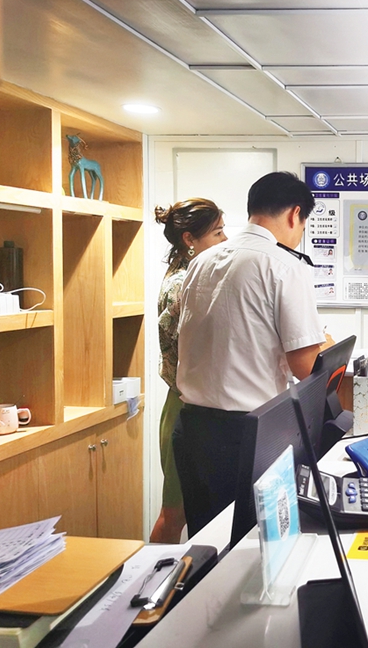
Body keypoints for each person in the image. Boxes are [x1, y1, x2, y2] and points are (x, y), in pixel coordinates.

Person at [173, 171, 329, 537]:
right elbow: (305, 366)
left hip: (193, 429)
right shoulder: (285, 265)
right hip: (247, 433)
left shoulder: (201, 261)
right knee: (251, 545)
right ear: (295, 214)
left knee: (205, 541)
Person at [150, 199, 226, 543]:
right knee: (174, 514)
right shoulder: (184, 282)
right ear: (189, 239)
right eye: (217, 232)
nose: (225, 240)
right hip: (185, 409)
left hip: (191, 407)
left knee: (185, 511)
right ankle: (152, 576)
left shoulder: (189, 274)